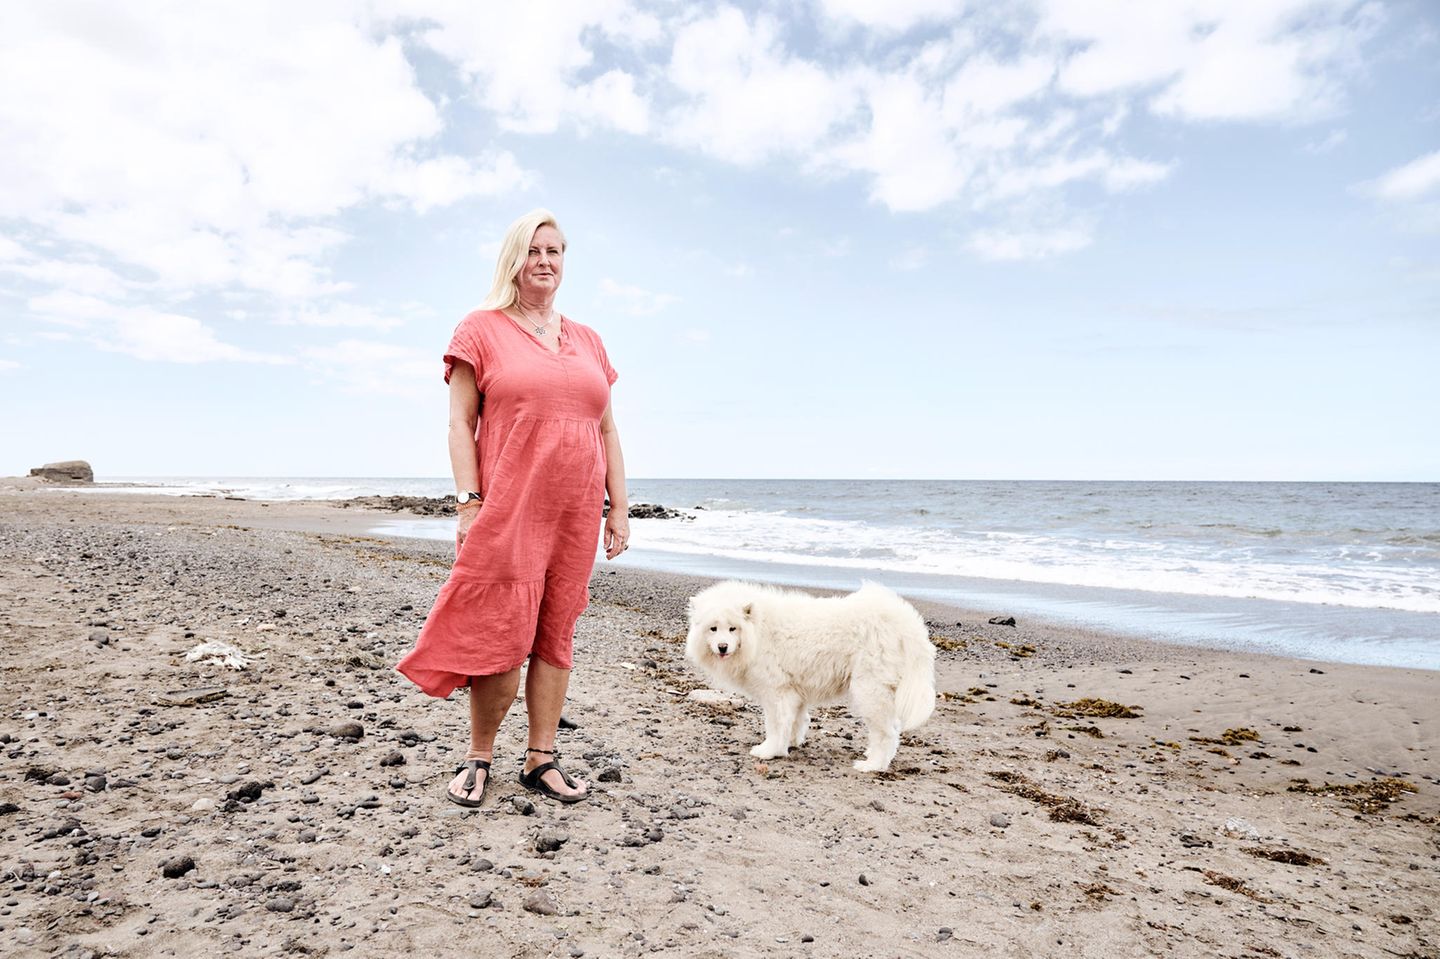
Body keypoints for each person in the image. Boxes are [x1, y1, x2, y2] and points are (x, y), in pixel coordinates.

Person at [397, 209, 629, 806]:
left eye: (554, 251)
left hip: (575, 513)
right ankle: (479, 756)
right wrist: (469, 501)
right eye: (533, 251)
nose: (545, 261)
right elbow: (459, 423)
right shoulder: (480, 328)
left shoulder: (589, 341)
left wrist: (618, 508)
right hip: (508, 508)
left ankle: (541, 759)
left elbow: (606, 430)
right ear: (513, 260)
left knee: (556, 630)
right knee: (501, 630)